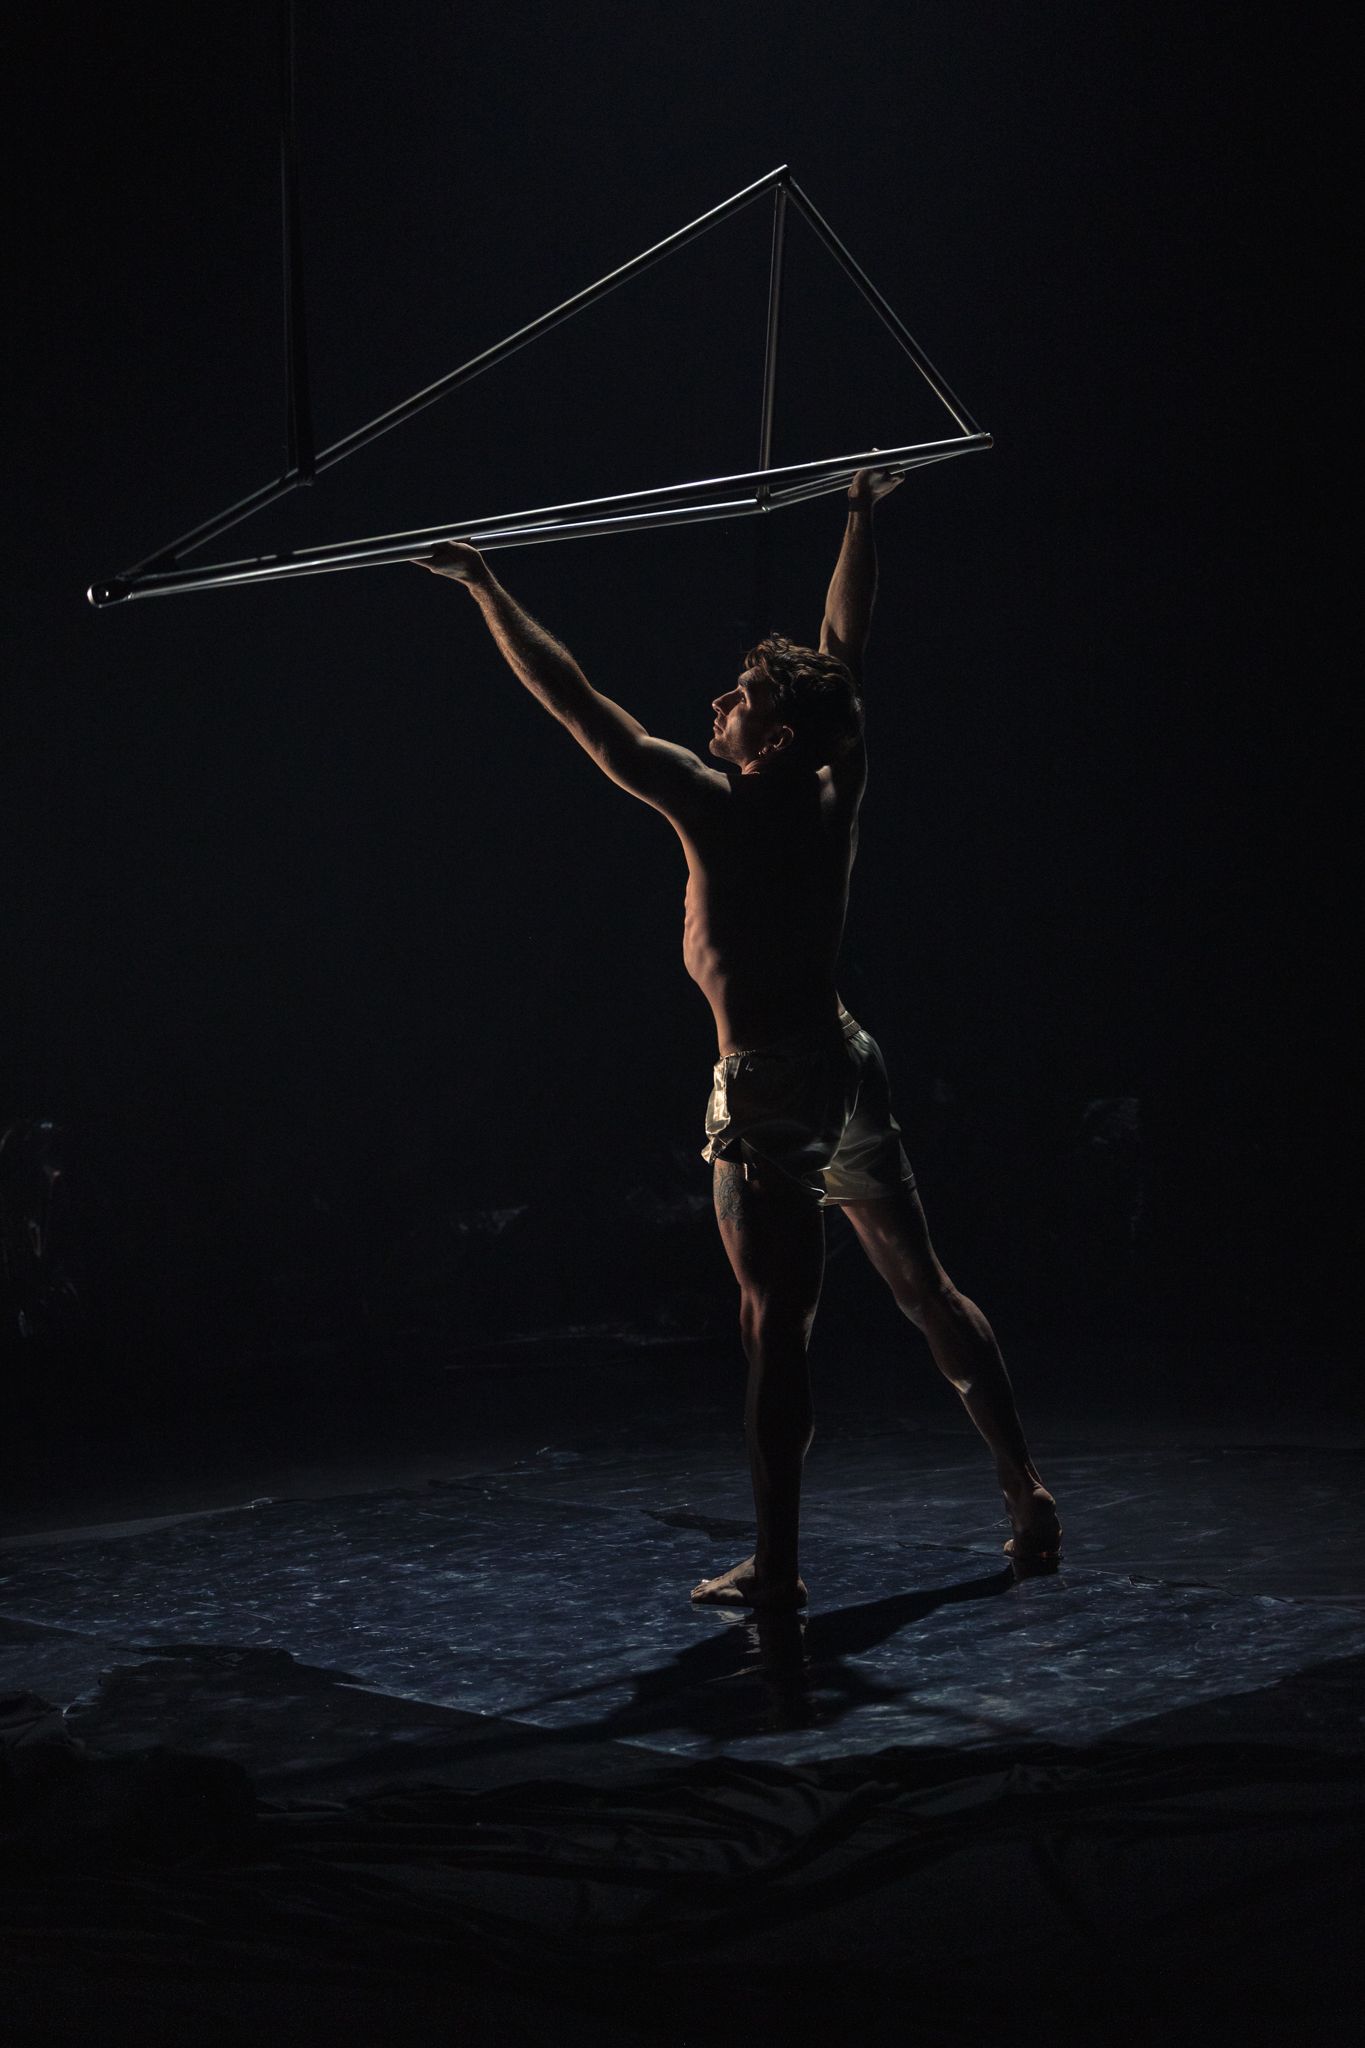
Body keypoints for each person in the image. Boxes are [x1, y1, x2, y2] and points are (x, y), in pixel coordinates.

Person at [414, 469, 1061, 1610]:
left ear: (771, 736)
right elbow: (844, 648)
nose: (720, 700)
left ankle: (778, 1564)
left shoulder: (714, 801)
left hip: (770, 1087)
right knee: (924, 1288)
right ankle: (1023, 1486)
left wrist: (482, 585)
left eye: (741, 695)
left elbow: (575, 701)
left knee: (778, 1328)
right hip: (842, 1057)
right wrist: (860, 514)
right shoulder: (830, 788)